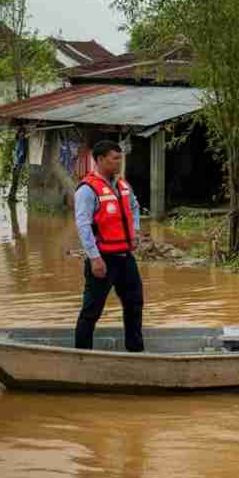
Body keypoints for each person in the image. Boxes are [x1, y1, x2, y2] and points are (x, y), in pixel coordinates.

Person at [74, 139, 144, 352]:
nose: (118, 163)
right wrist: (94, 258)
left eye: (120, 158)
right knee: (92, 311)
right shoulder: (87, 190)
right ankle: (81, 354)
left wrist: (136, 232)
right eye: (115, 159)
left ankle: (135, 351)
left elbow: (134, 206)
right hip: (102, 259)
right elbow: (83, 225)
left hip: (125, 257)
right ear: (101, 159)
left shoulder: (122, 185)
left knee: (134, 304)